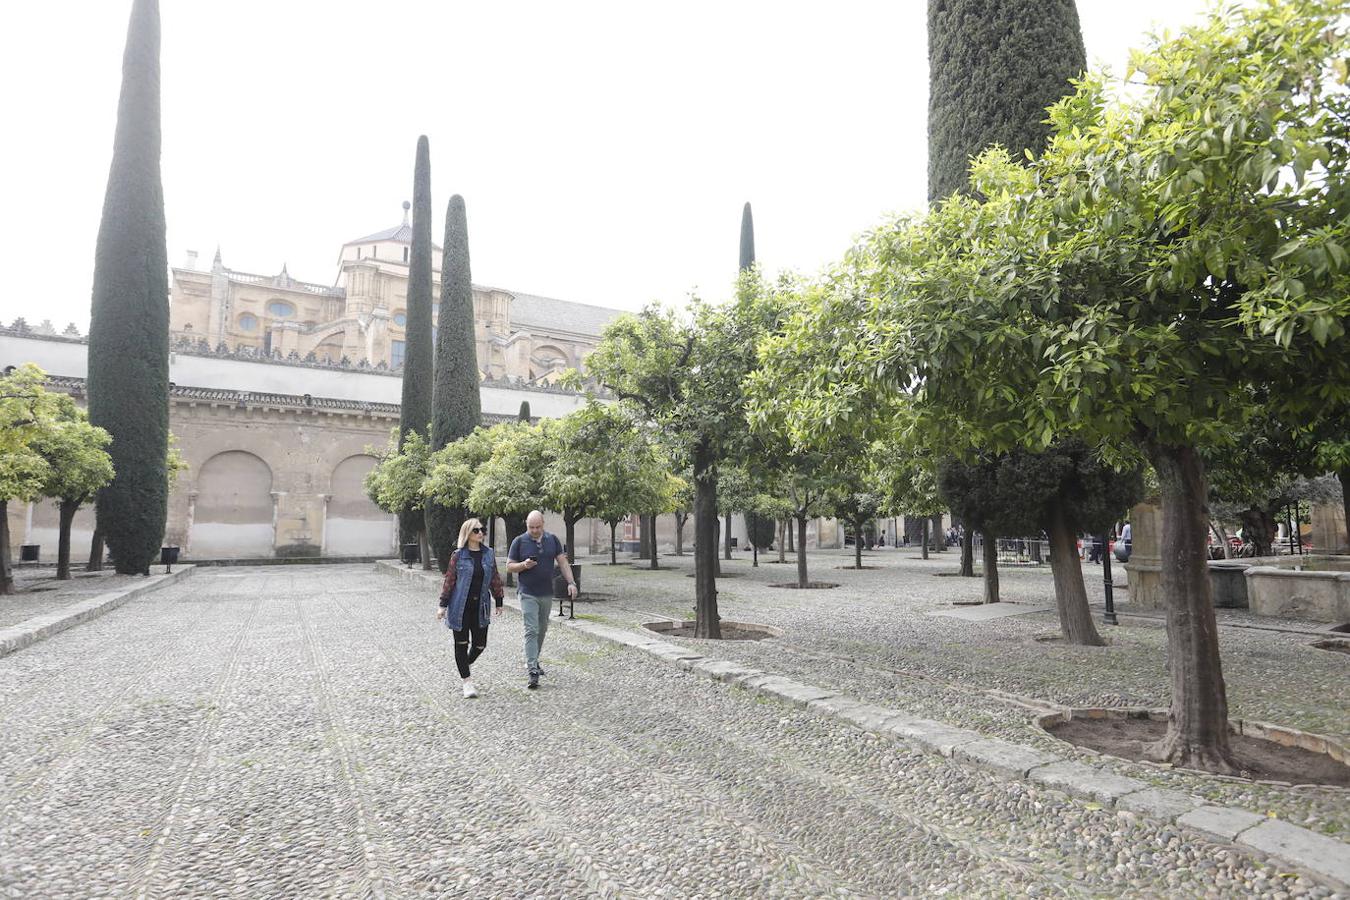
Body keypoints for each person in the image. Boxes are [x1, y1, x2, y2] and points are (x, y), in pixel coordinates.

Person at [507, 510, 577, 689]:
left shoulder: (552, 540)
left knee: (542, 629)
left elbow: (562, 562)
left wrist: (571, 582)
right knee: (531, 629)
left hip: (546, 593)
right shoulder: (519, 541)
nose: (535, 530)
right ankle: (532, 670)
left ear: (543, 524)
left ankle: (534, 659)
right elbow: (509, 567)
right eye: (531, 527)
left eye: (538, 527)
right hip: (527, 592)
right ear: (526, 525)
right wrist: (524, 565)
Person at [437, 518, 504, 698]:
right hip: (460, 606)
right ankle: (467, 682)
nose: (481, 533)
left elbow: (495, 578)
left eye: (482, 530)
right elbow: (449, 581)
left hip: (481, 606)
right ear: (468, 533)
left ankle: (463, 665)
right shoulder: (458, 555)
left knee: (480, 645)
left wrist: (499, 600)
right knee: (461, 644)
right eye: (476, 530)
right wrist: (442, 605)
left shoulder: (488, 554)